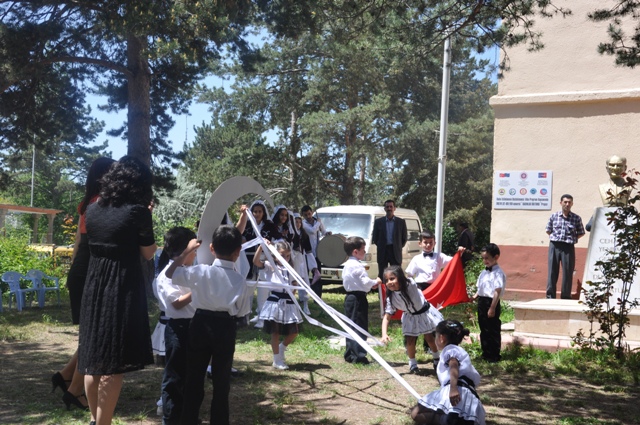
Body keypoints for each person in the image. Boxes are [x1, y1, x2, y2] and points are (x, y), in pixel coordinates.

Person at [78, 156, 157, 425]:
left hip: (94, 284)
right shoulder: (138, 212)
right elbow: (148, 254)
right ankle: (103, 423)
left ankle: (93, 419)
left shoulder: (92, 209)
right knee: (113, 362)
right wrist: (147, 218)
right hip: (121, 286)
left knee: (92, 359)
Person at [166, 225, 254, 425]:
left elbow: (171, 273)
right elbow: (241, 311)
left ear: (212, 248)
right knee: (222, 381)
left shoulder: (200, 271)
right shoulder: (240, 280)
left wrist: (187, 251)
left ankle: (188, 419)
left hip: (200, 324)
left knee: (194, 377)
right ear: (238, 251)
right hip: (225, 327)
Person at [52, 157, 115, 413]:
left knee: (90, 334)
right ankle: (75, 389)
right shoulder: (104, 203)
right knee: (93, 336)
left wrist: (72, 273)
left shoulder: (86, 203)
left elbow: (79, 241)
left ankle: (66, 375)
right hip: (91, 270)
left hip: (80, 268)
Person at [154, 226, 198, 425]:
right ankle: (171, 419)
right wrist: (199, 291)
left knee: (192, 377)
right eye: (193, 250)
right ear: (185, 251)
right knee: (175, 378)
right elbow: (176, 303)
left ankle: (188, 417)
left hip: (193, 327)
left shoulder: (188, 270)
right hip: (178, 330)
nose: (196, 254)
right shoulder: (166, 275)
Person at [411, 320, 486, 425]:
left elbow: (453, 365)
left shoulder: (450, 350)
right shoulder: (459, 351)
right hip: (468, 393)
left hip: (455, 390)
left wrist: (453, 388)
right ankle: (451, 420)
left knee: (416, 413)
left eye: (435, 336)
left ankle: (448, 420)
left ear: (441, 338)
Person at [380, 266, 444, 373]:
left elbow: (408, 279)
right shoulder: (391, 298)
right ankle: (413, 364)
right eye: (386, 280)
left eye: (392, 278)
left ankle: (436, 358)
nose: (389, 282)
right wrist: (384, 334)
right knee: (410, 341)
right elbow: (387, 316)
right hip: (410, 317)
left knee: (429, 338)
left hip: (424, 313)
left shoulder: (410, 285)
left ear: (400, 278)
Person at [254, 241, 303, 370]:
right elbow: (256, 261)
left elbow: (294, 282)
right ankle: (277, 359)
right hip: (275, 301)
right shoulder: (270, 266)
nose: (285, 258)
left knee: (294, 331)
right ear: (275, 255)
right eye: (282, 255)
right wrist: (261, 246)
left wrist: (293, 291)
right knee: (275, 332)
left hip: (289, 301)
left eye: (287, 255)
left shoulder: (290, 267)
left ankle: (281, 348)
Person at [342, 236, 381, 364]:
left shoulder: (347, 264)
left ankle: (350, 353)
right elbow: (364, 282)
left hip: (349, 297)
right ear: (355, 251)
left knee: (350, 325)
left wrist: (370, 285)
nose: (365, 252)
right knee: (358, 325)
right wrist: (376, 281)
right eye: (363, 250)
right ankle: (358, 355)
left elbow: (359, 282)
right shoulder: (358, 266)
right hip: (358, 298)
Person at [545, 194, 585, 299]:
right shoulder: (554, 216)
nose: (567, 204)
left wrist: (572, 239)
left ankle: (566, 296)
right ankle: (550, 296)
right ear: (561, 203)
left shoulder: (576, 218)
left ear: (572, 204)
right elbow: (548, 230)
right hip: (555, 245)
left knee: (568, 271)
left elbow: (581, 232)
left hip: (568, 247)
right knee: (552, 271)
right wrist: (557, 239)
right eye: (565, 202)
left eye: (569, 202)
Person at [471, 243, 506, 363]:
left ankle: (494, 354)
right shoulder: (483, 272)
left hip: (492, 302)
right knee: (484, 328)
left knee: (493, 329)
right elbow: (481, 288)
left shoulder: (498, 273)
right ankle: (485, 353)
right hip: (482, 301)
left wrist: (492, 308)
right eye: (483, 258)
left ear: (496, 257)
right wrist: (474, 297)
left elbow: (497, 290)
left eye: (487, 258)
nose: (485, 261)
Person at [372, 200, 408, 279]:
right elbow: (375, 238)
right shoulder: (378, 222)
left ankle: (397, 291)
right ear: (384, 209)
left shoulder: (401, 222)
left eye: (391, 206)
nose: (389, 208)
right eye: (387, 207)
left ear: (394, 208)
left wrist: (397, 246)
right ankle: (383, 291)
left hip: (395, 252)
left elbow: (404, 238)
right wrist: (382, 245)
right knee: (382, 274)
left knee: (396, 274)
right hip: (383, 252)